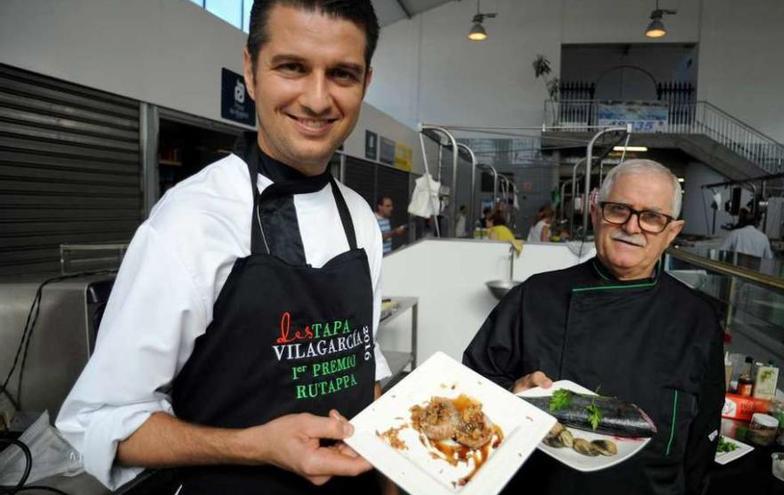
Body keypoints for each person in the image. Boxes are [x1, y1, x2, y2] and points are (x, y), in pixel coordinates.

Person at [56, 2, 394, 494]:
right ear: (251, 72)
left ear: (365, 82)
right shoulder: (191, 220)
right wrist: (257, 445)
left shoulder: (361, 217)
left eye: (342, 74)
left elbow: (364, 366)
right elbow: (100, 420)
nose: (318, 99)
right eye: (293, 67)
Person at [464, 159, 724, 495]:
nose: (632, 227)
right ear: (596, 213)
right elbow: (472, 390)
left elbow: (701, 443)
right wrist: (510, 395)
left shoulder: (698, 320)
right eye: (619, 209)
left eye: (652, 217)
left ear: (671, 232)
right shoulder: (535, 297)